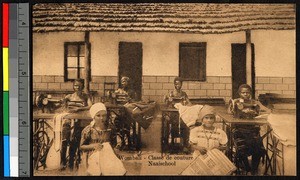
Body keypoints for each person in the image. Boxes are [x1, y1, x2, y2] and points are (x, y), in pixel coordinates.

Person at [228, 84, 271, 175]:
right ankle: (247, 168)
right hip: (239, 130)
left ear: (250, 93)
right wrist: (232, 103)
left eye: (247, 92)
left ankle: (253, 170)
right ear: (239, 93)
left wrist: (259, 105)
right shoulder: (237, 102)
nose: (245, 94)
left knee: (259, 150)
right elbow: (229, 113)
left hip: (253, 131)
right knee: (241, 149)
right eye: (243, 93)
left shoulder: (254, 102)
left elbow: (268, 111)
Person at [79, 103, 126, 176]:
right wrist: (93, 146)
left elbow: (114, 144)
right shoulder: (88, 130)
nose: (102, 118)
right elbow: (82, 146)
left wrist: (115, 151)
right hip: (92, 156)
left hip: (107, 156)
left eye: (104, 115)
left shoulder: (111, 128)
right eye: (98, 115)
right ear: (93, 116)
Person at [60, 79, 92, 171]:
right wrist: (65, 105)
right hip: (68, 121)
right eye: (75, 85)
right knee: (64, 140)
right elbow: (63, 106)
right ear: (73, 86)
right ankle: (62, 162)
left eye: (79, 86)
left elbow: (90, 106)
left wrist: (79, 109)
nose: (77, 87)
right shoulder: (69, 96)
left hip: (80, 121)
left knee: (75, 142)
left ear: (82, 87)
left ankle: (72, 162)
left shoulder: (85, 96)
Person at [164, 77, 191, 153]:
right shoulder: (171, 93)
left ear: (181, 84)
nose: (177, 85)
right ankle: (172, 145)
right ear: (174, 84)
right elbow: (165, 104)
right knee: (173, 128)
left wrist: (187, 104)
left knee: (184, 127)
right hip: (173, 113)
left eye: (179, 84)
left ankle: (183, 145)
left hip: (181, 113)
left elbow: (189, 103)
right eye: (176, 84)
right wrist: (168, 101)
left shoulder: (183, 94)